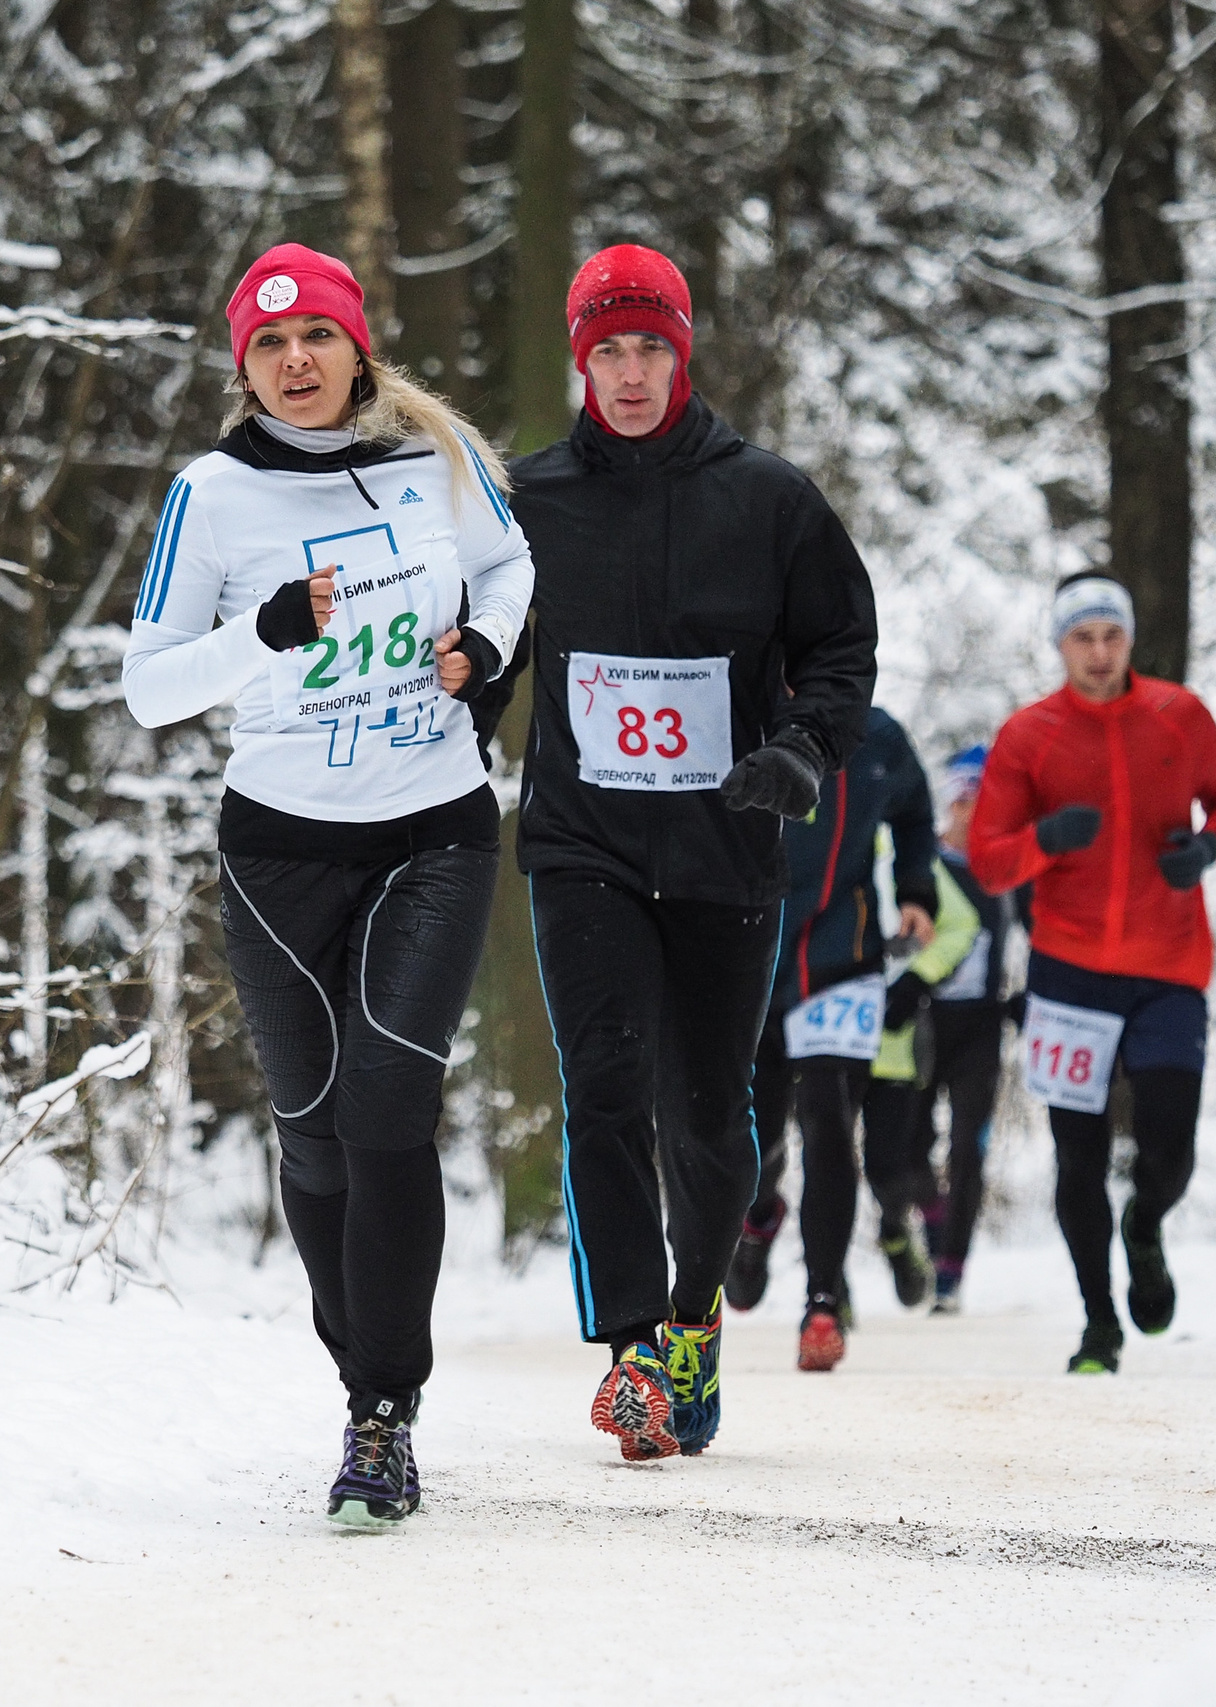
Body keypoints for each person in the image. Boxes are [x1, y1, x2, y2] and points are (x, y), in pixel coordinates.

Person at [122, 243, 533, 1523]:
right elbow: (148, 688)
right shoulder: (212, 494)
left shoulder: (434, 461)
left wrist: (485, 646)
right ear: (242, 367)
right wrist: (263, 634)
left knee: (384, 1111)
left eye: (317, 337)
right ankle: (362, 1362)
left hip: (434, 831)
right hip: (281, 850)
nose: (295, 361)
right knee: (309, 1127)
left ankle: (381, 1414)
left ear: (358, 348)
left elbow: (511, 567)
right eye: (268, 344)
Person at [503, 244, 878, 1460]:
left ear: (682, 355)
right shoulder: (527, 500)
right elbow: (483, 642)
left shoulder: (769, 500)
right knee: (605, 1091)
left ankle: (694, 1311)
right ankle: (632, 1356)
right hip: (584, 844)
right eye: (606, 350)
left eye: (649, 349)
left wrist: (801, 750)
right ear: (581, 361)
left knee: (709, 1116)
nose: (628, 374)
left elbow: (839, 648)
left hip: (725, 848)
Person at [967, 575, 1216, 1374]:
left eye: (1111, 635)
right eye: (1082, 637)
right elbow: (988, 859)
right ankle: (1099, 1322)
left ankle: (1146, 1222)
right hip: (1070, 972)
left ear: (1129, 640)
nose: (1098, 652)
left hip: (1168, 965)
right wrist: (1045, 839)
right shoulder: (1029, 735)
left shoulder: (1178, 715)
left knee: (1171, 1143)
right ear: (1060, 646)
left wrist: (1208, 847)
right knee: (1079, 1156)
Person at [729, 709, 939, 1373]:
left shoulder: (876, 736)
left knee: (828, 1117)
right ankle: (759, 1216)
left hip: (841, 954)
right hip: (747, 953)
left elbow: (915, 813)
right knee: (757, 1135)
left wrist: (916, 890)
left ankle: (822, 1299)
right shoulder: (736, 708)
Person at [903, 746, 1025, 1315]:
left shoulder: (1007, 872)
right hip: (922, 1020)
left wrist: (1027, 997)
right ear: (952, 801)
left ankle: (951, 1271)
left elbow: (1041, 932)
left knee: (969, 1149)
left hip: (982, 1022)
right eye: (968, 798)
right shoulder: (921, 862)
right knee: (908, 1143)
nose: (976, 812)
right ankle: (932, 1218)